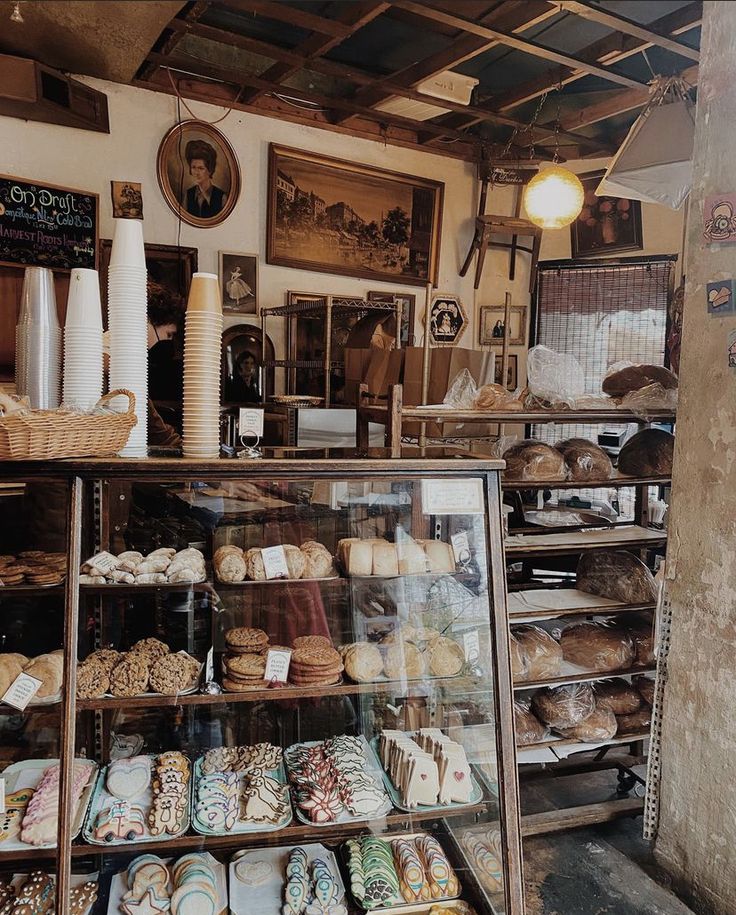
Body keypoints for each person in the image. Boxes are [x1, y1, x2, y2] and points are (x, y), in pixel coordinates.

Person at [184, 139, 227, 219]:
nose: (196, 172)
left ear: (210, 170)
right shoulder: (188, 195)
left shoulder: (221, 197)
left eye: (201, 168)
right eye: (193, 167)